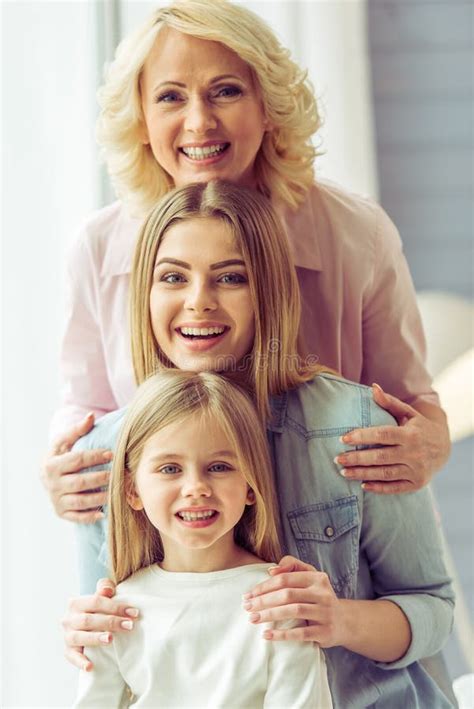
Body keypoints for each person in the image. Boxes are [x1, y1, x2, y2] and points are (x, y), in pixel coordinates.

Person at [42, 0, 451, 528]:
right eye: (170, 96)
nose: (199, 122)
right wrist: (59, 465)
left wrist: (430, 443)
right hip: (174, 549)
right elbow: (87, 409)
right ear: (142, 118)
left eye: (226, 91)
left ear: (268, 106)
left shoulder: (357, 235)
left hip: (325, 545)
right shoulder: (97, 248)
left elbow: (410, 404)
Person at [65, 181, 454, 708]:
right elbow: (108, 629)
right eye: (173, 277)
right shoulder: (107, 451)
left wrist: (337, 619)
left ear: (266, 291)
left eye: (230, 278)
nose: (198, 302)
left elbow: (433, 612)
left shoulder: (353, 425)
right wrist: (85, 632)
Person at [74, 369, 332, 708]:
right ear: (132, 490)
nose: (196, 487)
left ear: (251, 484)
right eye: (170, 469)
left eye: (219, 467)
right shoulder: (116, 613)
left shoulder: (280, 601)